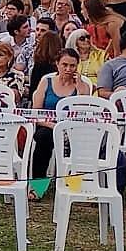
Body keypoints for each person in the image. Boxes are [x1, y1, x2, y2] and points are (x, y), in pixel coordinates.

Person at [30, 48, 91, 184]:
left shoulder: (83, 86)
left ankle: (73, 184)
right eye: (65, 65)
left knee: (81, 140)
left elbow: (84, 110)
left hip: (73, 128)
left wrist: (80, 86)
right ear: (57, 64)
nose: (68, 69)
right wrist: (54, 126)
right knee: (43, 138)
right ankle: (38, 185)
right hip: (48, 126)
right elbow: (36, 113)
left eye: (72, 65)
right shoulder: (46, 82)